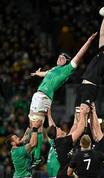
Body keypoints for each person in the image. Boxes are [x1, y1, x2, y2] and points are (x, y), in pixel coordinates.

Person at [28, 32, 97, 166]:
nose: (60, 58)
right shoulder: (54, 69)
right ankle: (36, 157)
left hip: (42, 96)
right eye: (59, 57)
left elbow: (79, 55)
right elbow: (46, 73)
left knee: (34, 127)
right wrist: (37, 73)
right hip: (44, 97)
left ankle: (35, 157)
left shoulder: (67, 69)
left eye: (63, 58)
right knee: (37, 127)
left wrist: (88, 41)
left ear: (67, 61)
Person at [74, 6, 104, 119]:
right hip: (84, 86)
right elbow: (102, 34)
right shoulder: (102, 52)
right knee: (77, 117)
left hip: (91, 87)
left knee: (82, 117)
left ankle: (85, 136)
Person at [46, 104, 90, 178]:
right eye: (58, 129)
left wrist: (77, 115)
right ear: (57, 134)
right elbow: (80, 129)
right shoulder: (63, 142)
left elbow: (74, 127)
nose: (59, 128)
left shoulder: (58, 141)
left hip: (62, 175)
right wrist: (82, 113)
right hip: (65, 176)